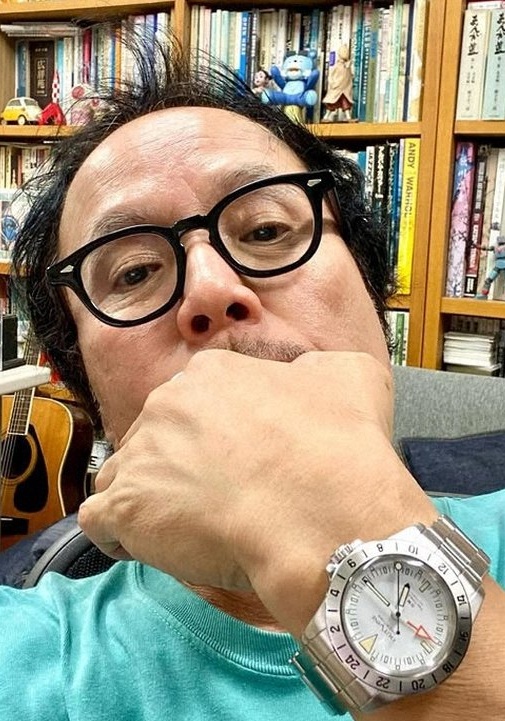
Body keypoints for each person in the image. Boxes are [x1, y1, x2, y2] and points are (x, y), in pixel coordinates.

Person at [2, 31, 504, 721]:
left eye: (266, 230)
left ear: (373, 293)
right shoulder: (27, 655)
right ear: (78, 380)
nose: (211, 288)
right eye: (135, 272)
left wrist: (341, 526)